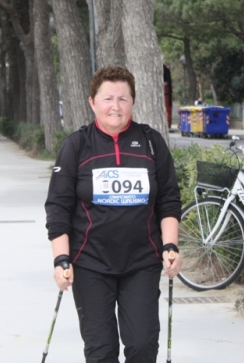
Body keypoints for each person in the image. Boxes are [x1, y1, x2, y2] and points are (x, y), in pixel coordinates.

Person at [45, 66, 183, 363]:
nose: (115, 106)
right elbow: (58, 206)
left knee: (142, 346)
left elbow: (169, 199)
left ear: (133, 102)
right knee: (101, 351)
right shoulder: (77, 145)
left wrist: (170, 246)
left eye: (123, 98)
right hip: (90, 263)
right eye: (107, 98)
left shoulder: (151, 143)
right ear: (92, 102)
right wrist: (61, 259)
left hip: (142, 261)